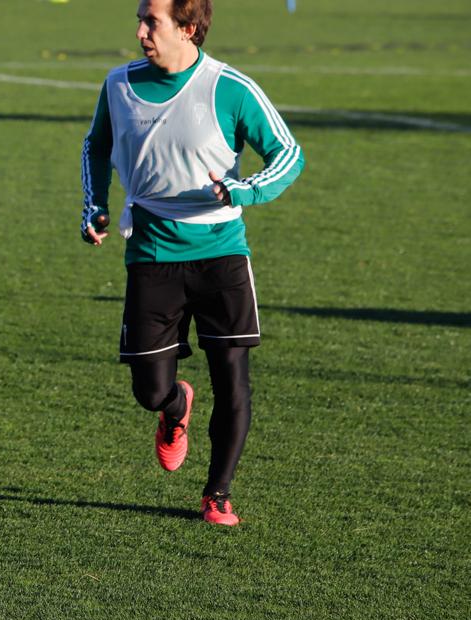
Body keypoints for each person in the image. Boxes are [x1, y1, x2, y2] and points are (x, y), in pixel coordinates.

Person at [80, 0, 303, 525]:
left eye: (150, 21)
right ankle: (176, 406)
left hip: (222, 252)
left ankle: (217, 493)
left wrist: (242, 190)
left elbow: (288, 154)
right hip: (152, 254)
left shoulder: (230, 88)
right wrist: (95, 206)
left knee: (234, 379)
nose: (139, 32)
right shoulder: (118, 86)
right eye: (139, 19)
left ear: (188, 28)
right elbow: (96, 146)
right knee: (148, 390)